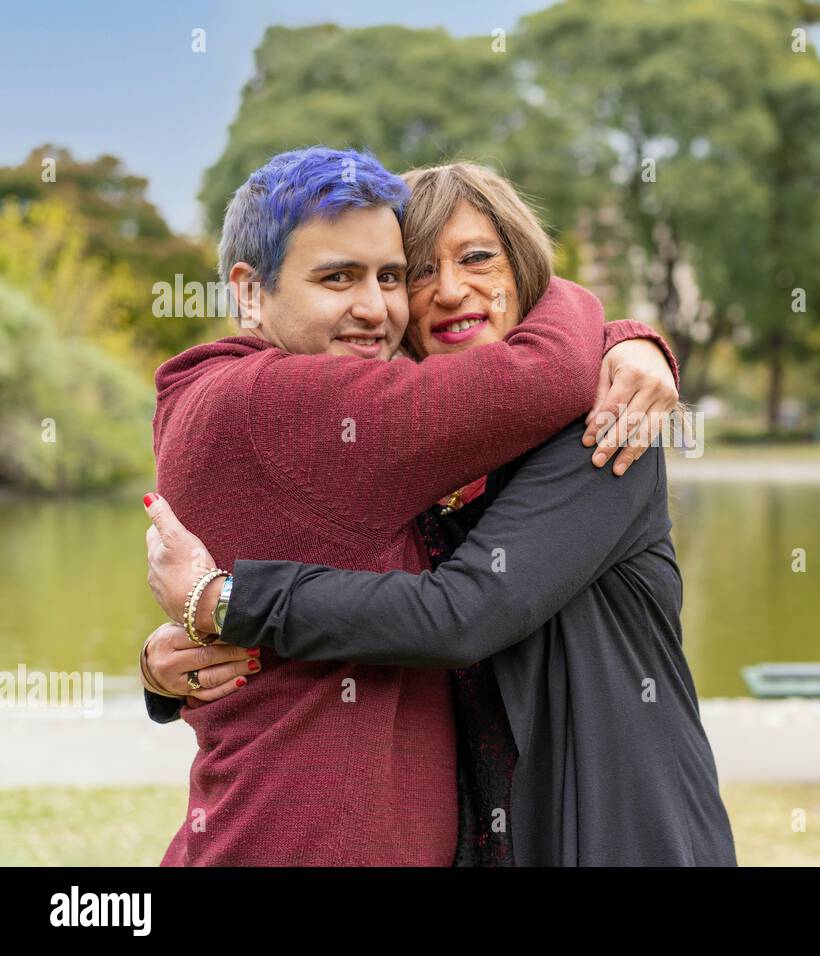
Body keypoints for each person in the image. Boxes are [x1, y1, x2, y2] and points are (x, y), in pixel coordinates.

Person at [137, 149, 680, 866]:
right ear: (249, 292)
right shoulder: (275, 404)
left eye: (390, 276)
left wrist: (630, 344)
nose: (376, 305)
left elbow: (431, 598)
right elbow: (543, 374)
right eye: (339, 277)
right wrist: (589, 311)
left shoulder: (581, 444)